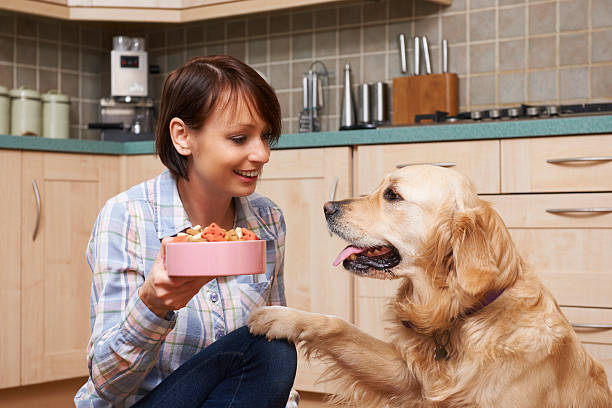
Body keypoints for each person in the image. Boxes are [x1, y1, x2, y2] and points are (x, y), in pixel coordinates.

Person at [75, 55, 298, 407]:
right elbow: (107, 386)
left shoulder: (267, 221)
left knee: (276, 343)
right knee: (270, 349)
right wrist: (152, 306)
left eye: (265, 136)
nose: (263, 154)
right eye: (240, 138)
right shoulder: (129, 217)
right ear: (182, 136)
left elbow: (262, 370)